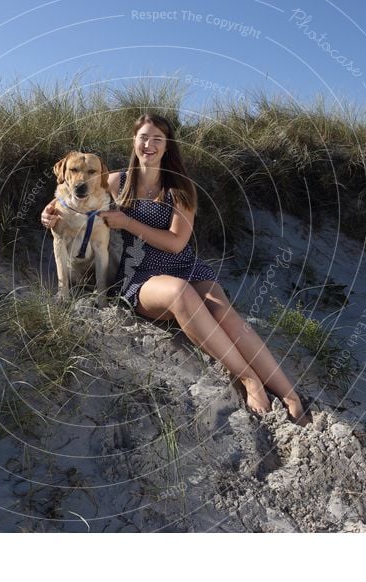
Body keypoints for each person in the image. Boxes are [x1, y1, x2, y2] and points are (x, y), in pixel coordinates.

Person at [41, 113, 310, 426]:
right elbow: (74, 188)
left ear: (167, 146)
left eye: (158, 139)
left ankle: (290, 394)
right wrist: (48, 211)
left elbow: (176, 244)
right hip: (142, 275)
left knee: (226, 315)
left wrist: (128, 222)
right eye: (144, 137)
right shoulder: (116, 180)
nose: (149, 144)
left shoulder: (181, 188)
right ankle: (249, 378)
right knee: (180, 294)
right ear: (134, 141)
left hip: (185, 265)